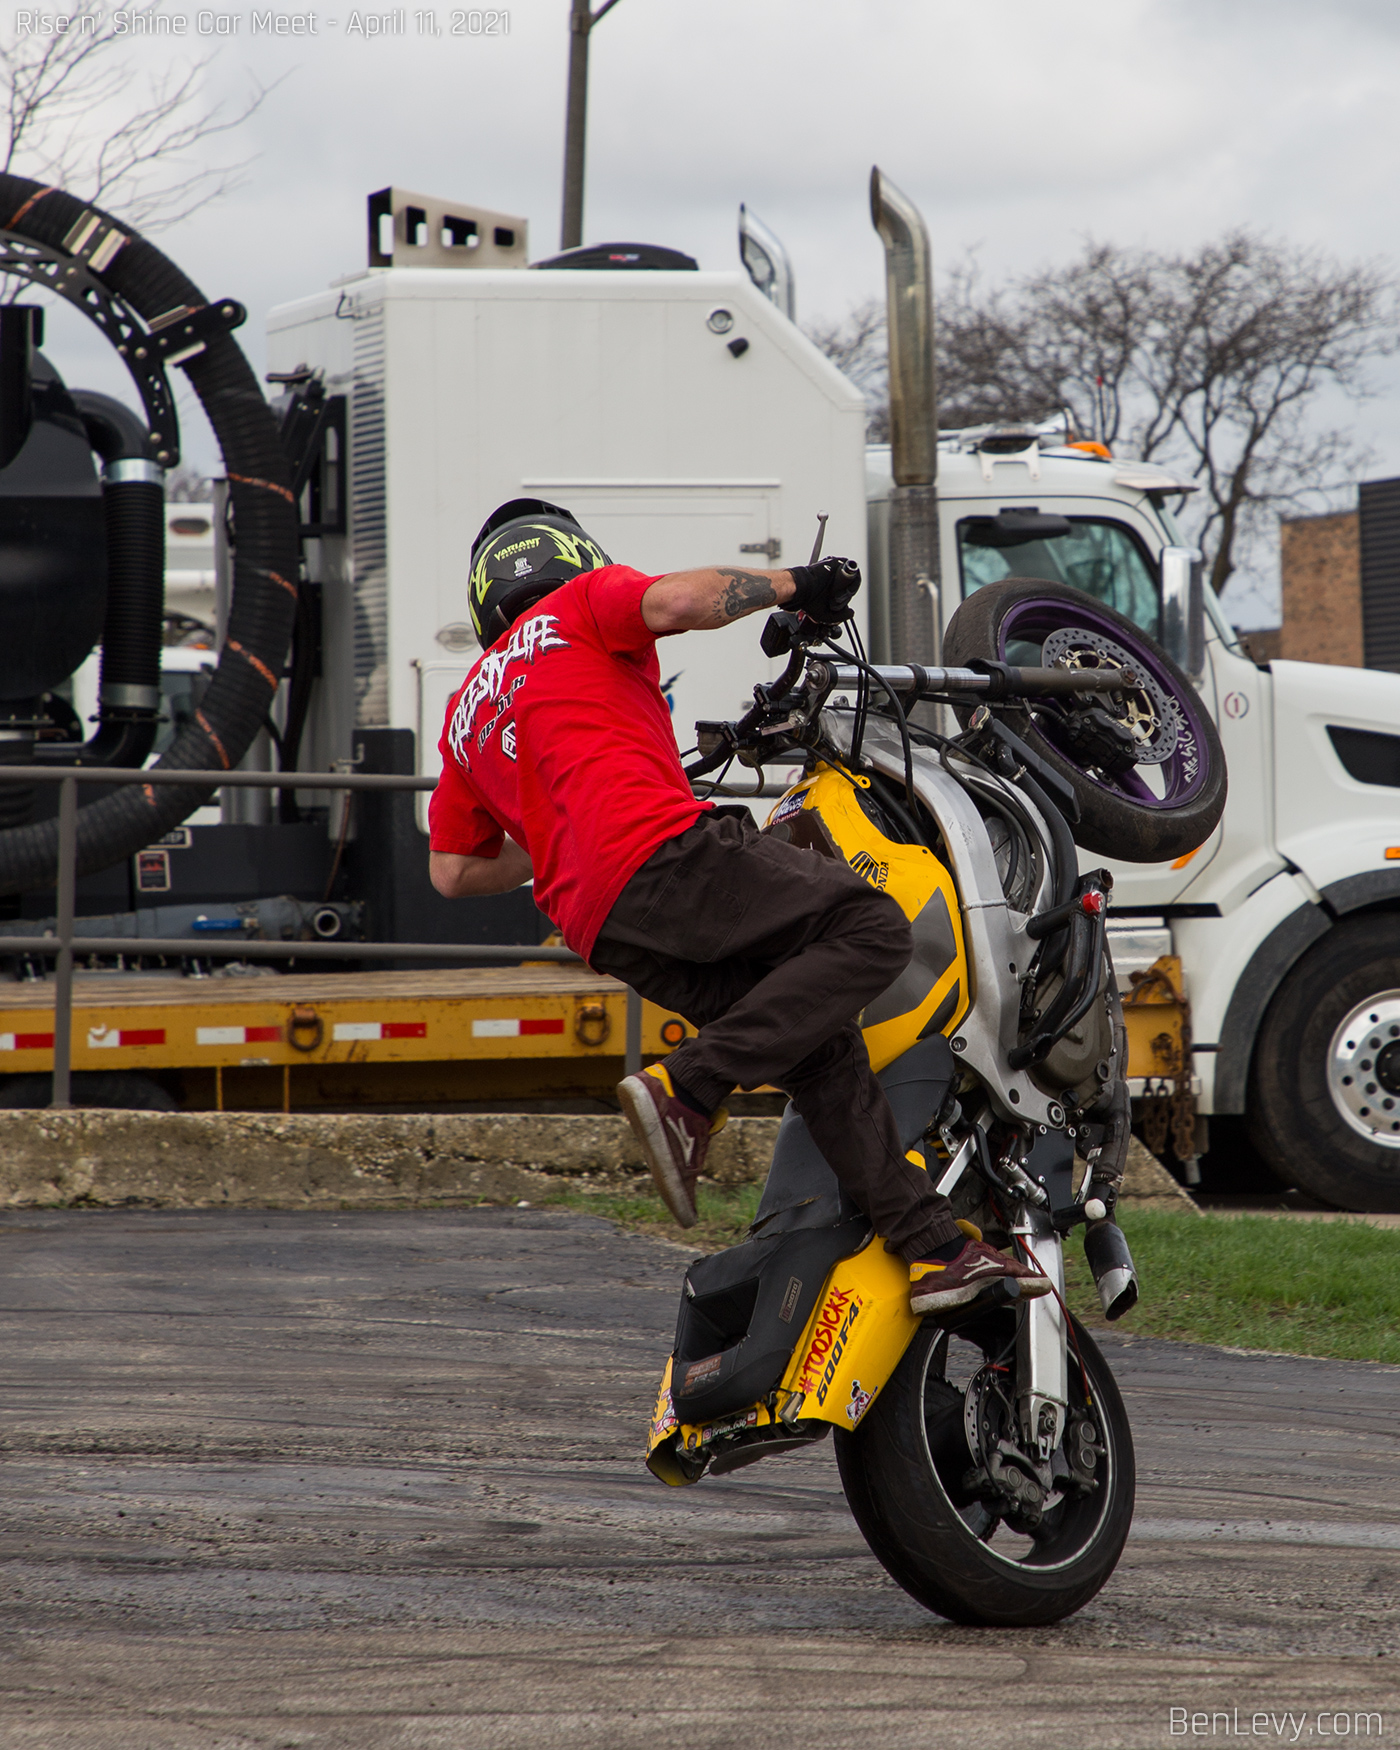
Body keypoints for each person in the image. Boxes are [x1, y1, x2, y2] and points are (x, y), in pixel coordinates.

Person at [427, 498, 1051, 1315]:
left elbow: (452, 873)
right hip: (663, 855)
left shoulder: (469, 707)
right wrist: (799, 584)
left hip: (604, 923)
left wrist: (558, 835)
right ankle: (687, 1088)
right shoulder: (575, 606)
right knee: (868, 926)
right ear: (571, 557)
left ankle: (932, 1248)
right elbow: (677, 603)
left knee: (817, 1046)